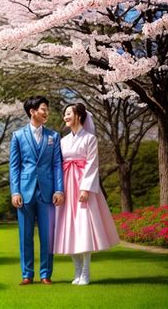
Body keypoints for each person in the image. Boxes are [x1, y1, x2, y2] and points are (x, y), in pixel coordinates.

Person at [54, 103, 120, 285]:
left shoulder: (90, 139)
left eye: (68, 113)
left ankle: (86, 272)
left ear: (78, 116)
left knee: (83, 227)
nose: (65, 117)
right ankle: (76, 271)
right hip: (66, 186)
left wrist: (85, 188)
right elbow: (58, 165)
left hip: (82, 186)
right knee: (68, 228)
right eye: (64, 114)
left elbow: (92, 164)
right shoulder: (63, 140)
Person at [10, 96, 64, 285]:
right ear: (32, 112)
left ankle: (45, 274)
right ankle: (27, 274)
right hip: (24, 193)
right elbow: (14, 166)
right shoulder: (17, 136)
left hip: (48, 192)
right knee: (25, 235)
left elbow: (58, 164)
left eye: (47, 109)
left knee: (47, 236)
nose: (46, 112)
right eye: (43, 109)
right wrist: (15, 192)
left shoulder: (54, 136)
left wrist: (59, 190)